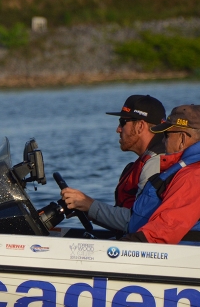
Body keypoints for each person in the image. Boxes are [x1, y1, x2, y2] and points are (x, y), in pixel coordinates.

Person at [123, 104, 200, 245]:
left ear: (182, 139)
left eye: (166, 135)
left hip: (181, 253)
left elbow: (165, 230)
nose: (163, 141)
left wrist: (123, 245)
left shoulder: (197, 175)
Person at [60, 95, 166, 232]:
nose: (118, 129)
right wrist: (88, 211)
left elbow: (137, 221)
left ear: (140, 126)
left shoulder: (157, 163)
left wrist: (89, 205)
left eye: (123, 122)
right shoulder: (146, 161)